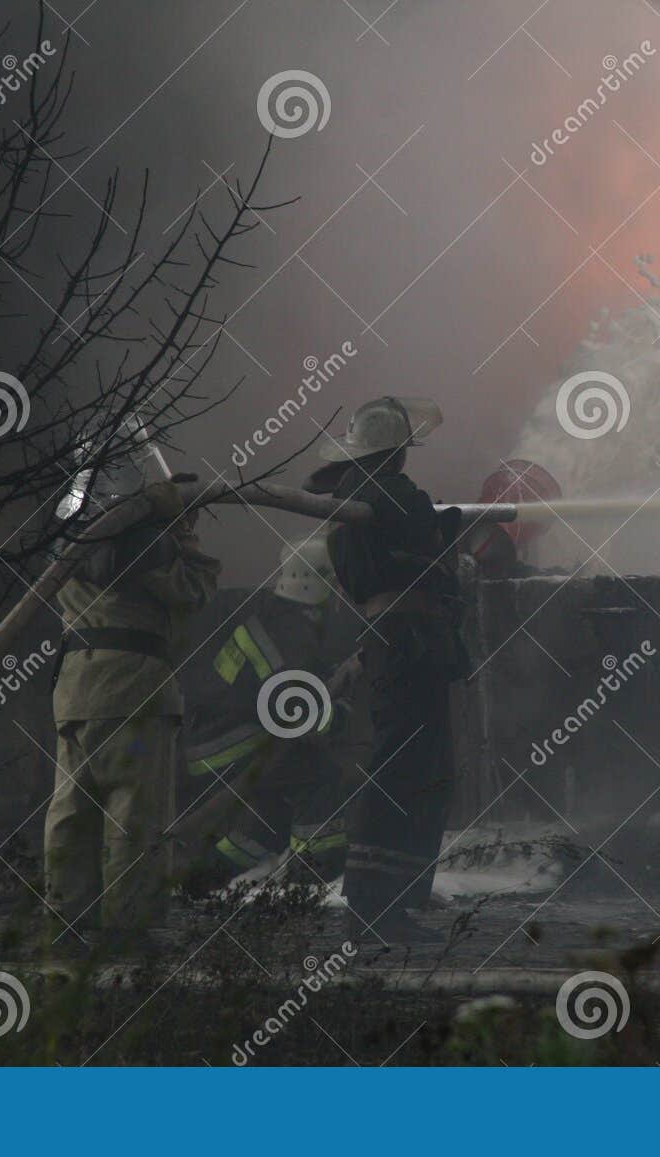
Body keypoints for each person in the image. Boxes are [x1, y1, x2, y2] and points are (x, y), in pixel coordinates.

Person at [306, 396, 470, 944]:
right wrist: (437, 531)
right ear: (395, 455)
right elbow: (404, 535)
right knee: (402, 772)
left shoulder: (363, 506)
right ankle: (372, 908)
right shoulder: (383, 498)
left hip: (408, 646)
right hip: (406, 646)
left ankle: (393, 905)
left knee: (426, 771)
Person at [43, 448, 219, 955]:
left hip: (76, 690)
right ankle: (126, 931)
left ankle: (65, 924)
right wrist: (182, 527)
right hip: (134, 690)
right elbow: (196, 590)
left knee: (72, 813)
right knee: (134, 815)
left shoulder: (67, 539)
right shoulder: (146, 543)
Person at [175, 533, 360, 893]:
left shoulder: (273, 614)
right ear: (316, 582)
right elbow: (298, 715)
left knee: (269, 815)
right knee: (319, 775)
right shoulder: (289, 630)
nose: (340, 592)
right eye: (334, 582)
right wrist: (340, 713)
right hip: (233, 741)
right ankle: (314, 876)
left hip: (213, 739)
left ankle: (202, 880)